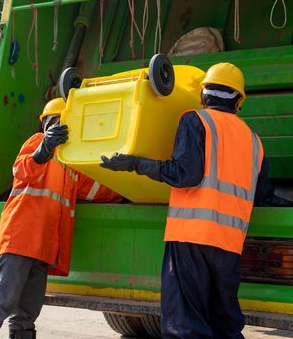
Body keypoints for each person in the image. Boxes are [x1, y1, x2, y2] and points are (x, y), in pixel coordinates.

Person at [100, 62, 273, 339]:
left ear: (203, 95)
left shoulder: (195, 120)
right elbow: (263, 194)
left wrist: (135, 163)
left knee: (186, 326)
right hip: (229, 243)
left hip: (191, 237)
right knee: (225, 324)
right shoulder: (254, 140)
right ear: (239, 100)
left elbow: (185, 174)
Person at [0, 98, 121, 339]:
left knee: (28, 309)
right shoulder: (36, 142)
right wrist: (44, 150)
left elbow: (96, 190)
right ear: (45, 125)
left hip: (44, 246)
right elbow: (21, 170)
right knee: (3, 300)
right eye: (55, 122)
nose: (59, 127)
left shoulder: (71, 162)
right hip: (21, 240)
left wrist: (127, 185)